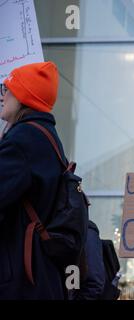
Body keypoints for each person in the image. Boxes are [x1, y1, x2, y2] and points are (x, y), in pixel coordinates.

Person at [0, 62, 67, 299]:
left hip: (18, 280)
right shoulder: (47, 137)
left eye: (6, 89)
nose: (2, 96)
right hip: (41, 276)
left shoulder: (23, 139)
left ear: (23, 96)